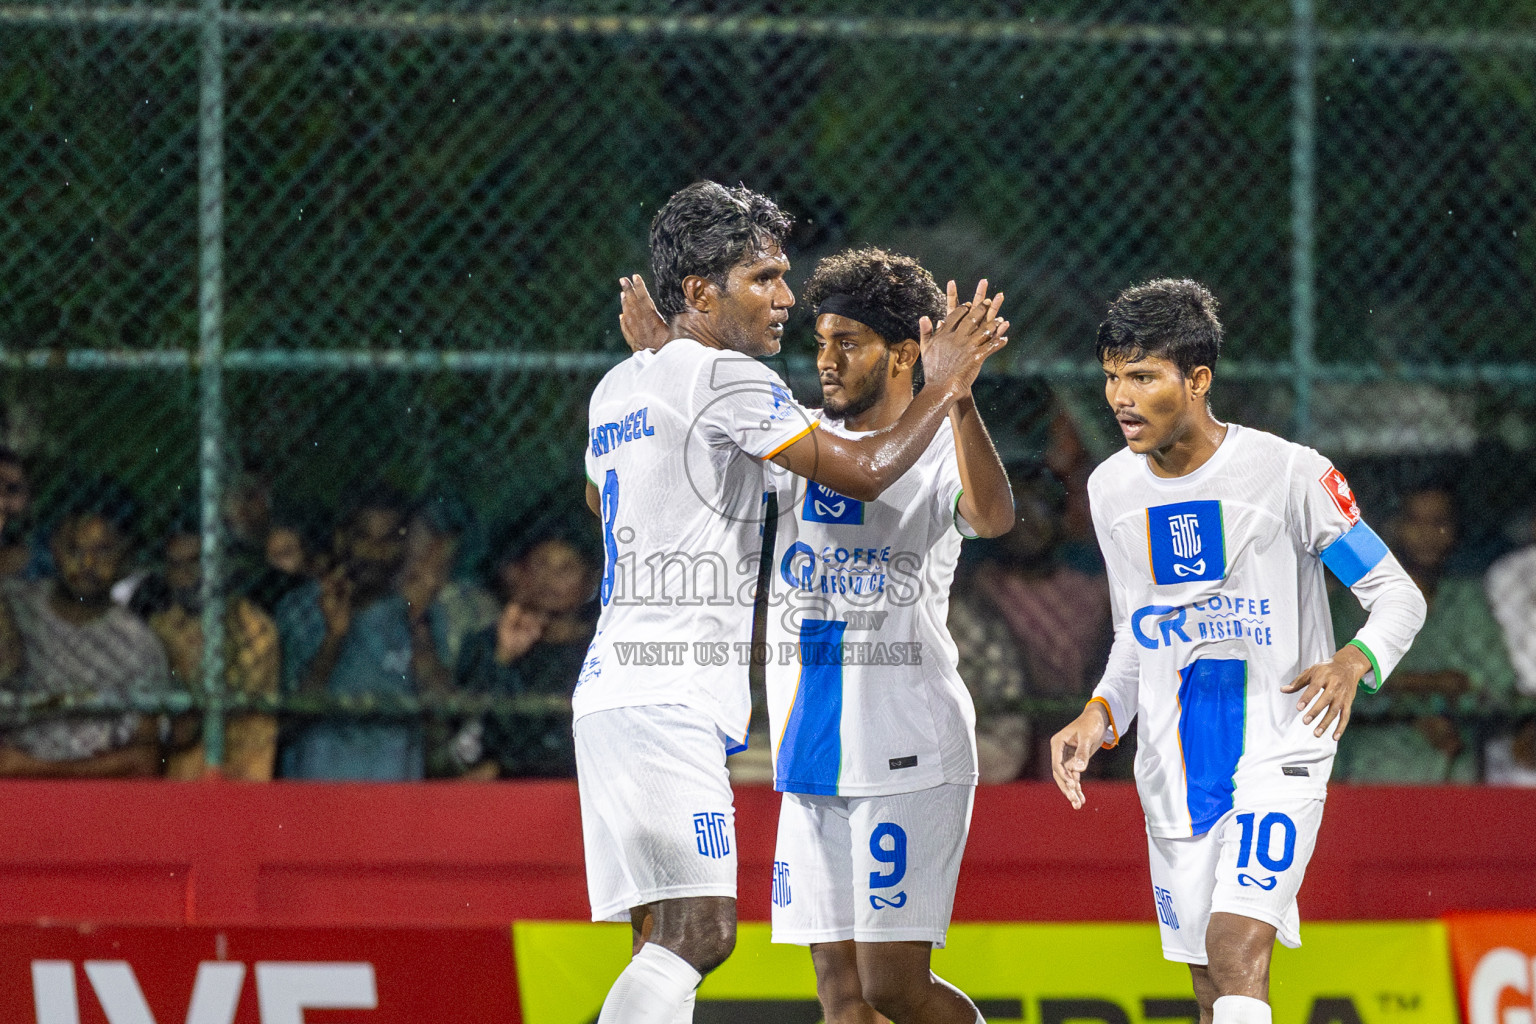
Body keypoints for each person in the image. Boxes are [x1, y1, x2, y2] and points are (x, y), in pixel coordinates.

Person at [584, 180, 1005, 1023]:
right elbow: (866, 467)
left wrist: (659, 358)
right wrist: (946, 383)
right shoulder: (739, 388)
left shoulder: (623, 387)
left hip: (629, 695)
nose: (785, 303)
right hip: (689, 702)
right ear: (701, 292)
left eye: (841, 338)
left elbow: (607, 500)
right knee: (699, 936)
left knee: (681, 942)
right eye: (765, 281)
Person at [1048, 280, 1426, 1024]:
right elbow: (1137, 633)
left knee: (1235, 947)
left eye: (1143, 376)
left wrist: (1355, 661)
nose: (1120, 397)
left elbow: (1396, 595)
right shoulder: (1110, 488)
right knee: (1208, 987)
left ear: (1197, 381)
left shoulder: (1293, 474)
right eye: (1112, 376)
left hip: (1280, 748)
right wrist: (1099, 713)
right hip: (1174, 764)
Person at [759, 249, 1015, 1023]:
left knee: (891, 989)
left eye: (850, 342)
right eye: (821, 341)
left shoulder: (940, 443)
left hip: (907, 747)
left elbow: (995, 518)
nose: (827, 361)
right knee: (841, 998)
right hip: (810, 746)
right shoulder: (798, 436)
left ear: (905, 353)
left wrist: (958, 398)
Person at [1331, 485, 1516, 783]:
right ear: (1393, 528)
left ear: (1454, 531)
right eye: (1415, 522)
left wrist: (1405, 687)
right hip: (1369, 766)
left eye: (1439, 523)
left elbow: (1498, 684)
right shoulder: (1353, 603)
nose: (1427, 534)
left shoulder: (1466, 600)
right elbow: (1335, 682)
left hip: (1452, 764)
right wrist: (1429, 691)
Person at [275, 488, 454, 781]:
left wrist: (418, 624)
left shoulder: (421, 612)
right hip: (317, 794)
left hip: (395, 799)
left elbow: (443, 716)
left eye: (388, 541)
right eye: (364, 538)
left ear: (403, 545)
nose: (375, 552)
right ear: (341, 539)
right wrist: (334, 637)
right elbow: (288, 720)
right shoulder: (302, 609)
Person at [953, 461, 1113, 780]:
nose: (1024, 519)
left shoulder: (1093, 594)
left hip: (1093, 758)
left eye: (1039, 505)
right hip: (1005, 763)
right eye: (1014, 506)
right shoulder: (978, 591)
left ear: (1062, 518)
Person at [0, 482, 170, 778]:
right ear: (53, 546)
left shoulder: (139, 643)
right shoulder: (15, 607)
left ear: (126, 555)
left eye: (103, 550)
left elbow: (146, 760)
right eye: (73, 548)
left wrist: (33, 768)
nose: (87, 563)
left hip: (91, 801)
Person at [448, 533, 596, 780]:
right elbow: (460, 736)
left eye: (566, 569)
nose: (550, 580)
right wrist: (502, 658)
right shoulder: (486, 643)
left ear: (589, 582)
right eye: (541, 565)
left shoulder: (602, 648)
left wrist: (506, 766)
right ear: (521, 574)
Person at [149, 522, 281, 781]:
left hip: (241, 781)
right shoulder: (159, 628)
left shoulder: (255, 628)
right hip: (180, 784)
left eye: (194, 562)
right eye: (175, 565)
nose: (185, 576)